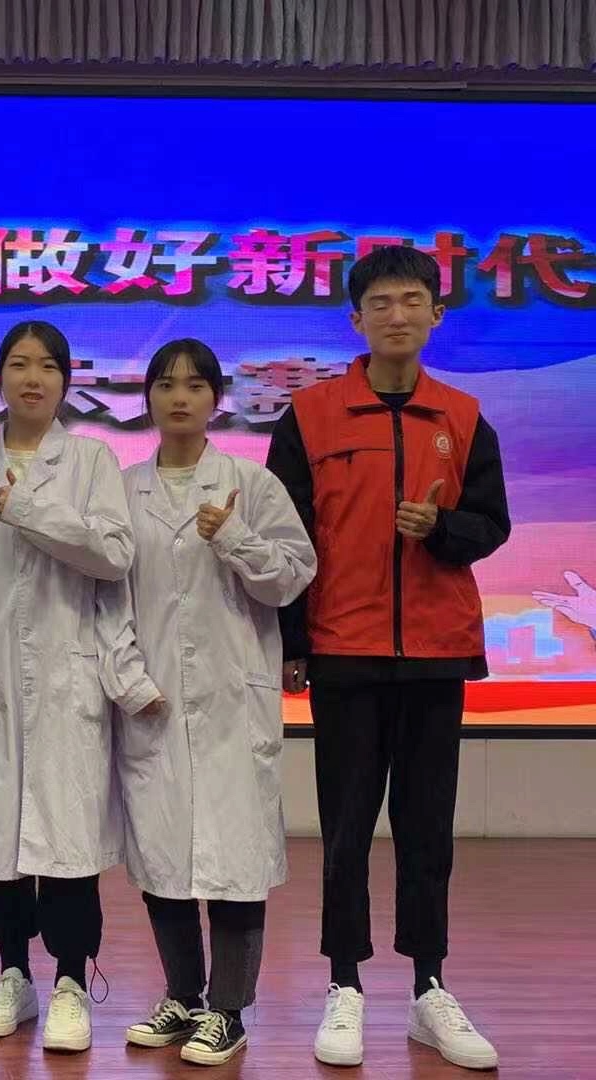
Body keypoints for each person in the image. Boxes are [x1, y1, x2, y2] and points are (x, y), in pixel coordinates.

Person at [266, 246, 510, 1071]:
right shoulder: (311, 416)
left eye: (412, 301)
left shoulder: (464, 417)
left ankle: (429, 986)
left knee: (426, 830)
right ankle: (344, 983)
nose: (396, 315)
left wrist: (441, 531)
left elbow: (492, 525)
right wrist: (293, 642)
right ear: (357, 319)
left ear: (436, 314)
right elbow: (286, 539)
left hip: (438, 652)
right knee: (345, 831)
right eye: (380, 303)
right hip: (344, 650)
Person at [106, 339, 315, 1066]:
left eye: (195, 385)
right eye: (166, 385)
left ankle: (228, 1009)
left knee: (235, 859)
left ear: (217, 399)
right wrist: (129, 678)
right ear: (148, 398)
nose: (180, 398)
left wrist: (233, 536)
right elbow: (106, 597)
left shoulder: (250, 485)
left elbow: (292, 578)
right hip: (154, 701)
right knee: (162, 854)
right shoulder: (123, 491)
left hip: (232, 700)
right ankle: (181, 995)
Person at [0, 321, 134, 1054]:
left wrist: (31, 511)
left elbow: (114, 555)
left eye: (48, 366)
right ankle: (13, 973)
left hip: (67, 676)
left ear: (66, 380)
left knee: (68, 839)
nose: (33, 378)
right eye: (18, 364)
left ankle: (72, 981)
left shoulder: (92, 461)